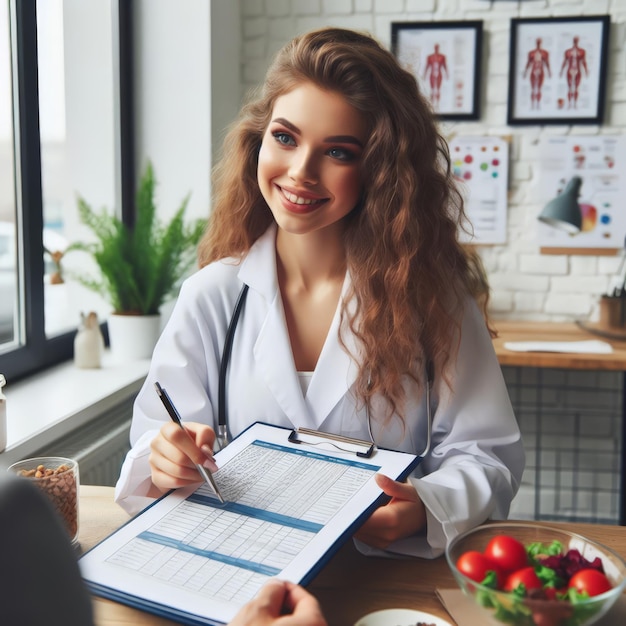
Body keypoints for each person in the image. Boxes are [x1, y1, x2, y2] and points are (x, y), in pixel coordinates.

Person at [115, 26, 524, 565]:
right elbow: (154, 440)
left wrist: (425, 507)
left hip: (384, 578)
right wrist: (165, 458)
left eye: (338, 151)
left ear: (379, 171)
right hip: (241, 573)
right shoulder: (213, 296)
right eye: (285, 138)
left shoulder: (434, 303)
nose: (301, 172)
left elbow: (486, 455)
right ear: (258, 141)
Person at [560, 36, 588, 109]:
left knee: (576, 88)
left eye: (576, 40)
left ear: (578, 41)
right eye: (574, 40)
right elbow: (565, 61)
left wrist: (586, 70)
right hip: (570, 70)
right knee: (569, 88)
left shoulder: (582, 51)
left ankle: (575, 104)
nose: (575, 41)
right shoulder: (568, 51)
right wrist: (561, 71)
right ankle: (569, 104)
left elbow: (583, 62)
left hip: (577, 70)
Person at [523, 38, 551, 109]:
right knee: (533, 88)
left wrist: (549, 71)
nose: (538, 43)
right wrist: (525, 72)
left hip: (541, 71)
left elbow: (547, 63)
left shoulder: (545, 53)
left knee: (539, 88)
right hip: (533, 70)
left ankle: (538, 104)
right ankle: (532, 105)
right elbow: (528, 63)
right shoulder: (531, 53)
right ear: (536, 43)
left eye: (539, 42)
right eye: (537, 42)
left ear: (541, 43)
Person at [422, 43, 448, 110]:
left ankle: (438, 104)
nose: (436, 48)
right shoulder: (430, 57)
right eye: (435, 47)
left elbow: (444, 66)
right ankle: (432, 105)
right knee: (432, 90)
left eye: (437, 47)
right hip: (432, 74)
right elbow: (427, 66)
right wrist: (424, 75)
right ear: (434, 48)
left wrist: (446, 74)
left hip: (439, 74)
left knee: (438, 90)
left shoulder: (442, 57)